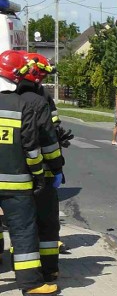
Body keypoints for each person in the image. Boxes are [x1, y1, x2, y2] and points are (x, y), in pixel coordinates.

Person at [0, 49, 58, 296]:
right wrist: (38, 175)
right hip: (17, 185)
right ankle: (31, 284)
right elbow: (31, 148)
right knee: (22, 231)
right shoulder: (22, 105)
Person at [17, 53, 65, 283]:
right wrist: (57, 168)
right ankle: (49, 270)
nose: (44, 79)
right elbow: (47, 139)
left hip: (17, 172)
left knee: (23, 225)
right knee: (46, 223)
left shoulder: (9, 98)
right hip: (42, 171)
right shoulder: (39, 98)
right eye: (42, 75)